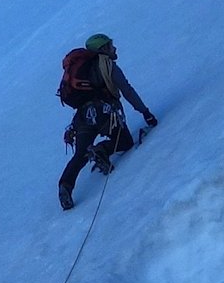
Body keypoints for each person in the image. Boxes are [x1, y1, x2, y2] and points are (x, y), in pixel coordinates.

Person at [57, 32, 159, 210]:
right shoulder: (107, 65)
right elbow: (127, 90)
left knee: (80, 154)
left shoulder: (82, 69)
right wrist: (145, 112)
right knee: (125, 141)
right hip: (105, 112)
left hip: (82, 117)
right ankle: (101, 150)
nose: (114, 48)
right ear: (103, 49)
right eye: (110, 45)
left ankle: (65, 185)